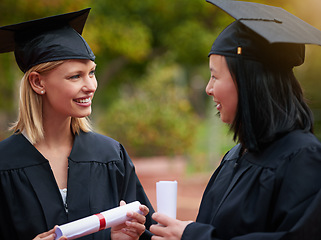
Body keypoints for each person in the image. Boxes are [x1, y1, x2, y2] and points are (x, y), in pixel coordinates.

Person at [150, 0, 321, 239]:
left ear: (249, 82)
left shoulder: (304, 159)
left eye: (215, 76)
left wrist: (192, 236)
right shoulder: (236, 156)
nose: (209, 89)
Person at [0, 8, 154, 240]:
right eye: (75, 76)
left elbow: (148, 233)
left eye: (91, 73)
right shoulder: (4, 164)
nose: (91, 86)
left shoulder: (111, 156)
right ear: (37, 82)